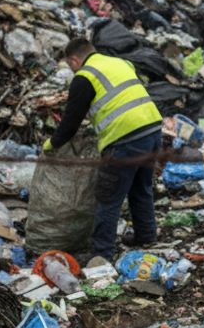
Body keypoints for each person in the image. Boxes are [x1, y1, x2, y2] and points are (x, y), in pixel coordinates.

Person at [44, 37, 163, 261]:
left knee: (108, 198)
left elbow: (70, 122)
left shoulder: (85, 76)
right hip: (153, 129)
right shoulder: (120, 63)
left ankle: (101, 254)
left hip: (125, 138)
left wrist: (52, 145)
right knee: (141, 187)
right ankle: (146, 235)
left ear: (74, 60)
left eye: (70, 65)